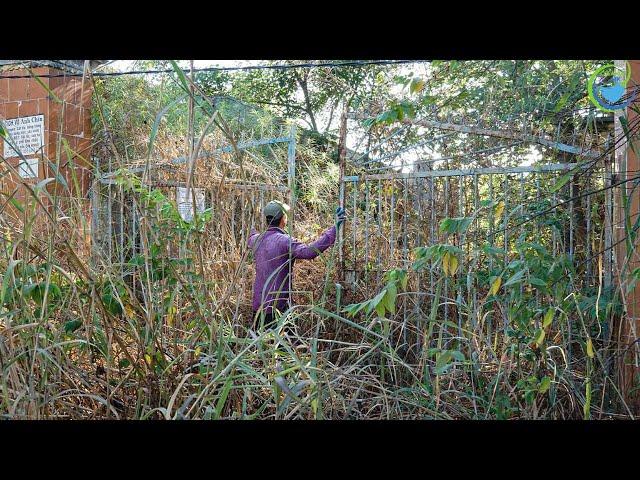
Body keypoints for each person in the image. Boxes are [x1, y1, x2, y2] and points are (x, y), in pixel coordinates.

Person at [248, 200, 346, 330]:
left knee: (260, 345)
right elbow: (310, 252)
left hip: (258, 305)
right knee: (281, 346)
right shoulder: (284, 241)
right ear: (283, 219)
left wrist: (251, 228)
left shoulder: (256, 240)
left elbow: (251, 236)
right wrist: (334, 228)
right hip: (278, 307)